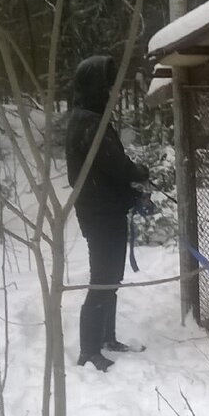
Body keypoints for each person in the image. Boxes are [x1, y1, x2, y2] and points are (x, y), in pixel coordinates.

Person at [65, 55, 149, 372]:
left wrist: (129, 191)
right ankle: (89, 350)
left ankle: (107, 338)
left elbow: (107, 171)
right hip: (99, 214)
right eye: (108, 86)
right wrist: (138, 172)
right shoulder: (88, 123)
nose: (112, 92)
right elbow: (114, 165)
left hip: (106, 209)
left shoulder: (91, 120)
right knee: (102, 278)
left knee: (111, 277)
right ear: (95, 87)